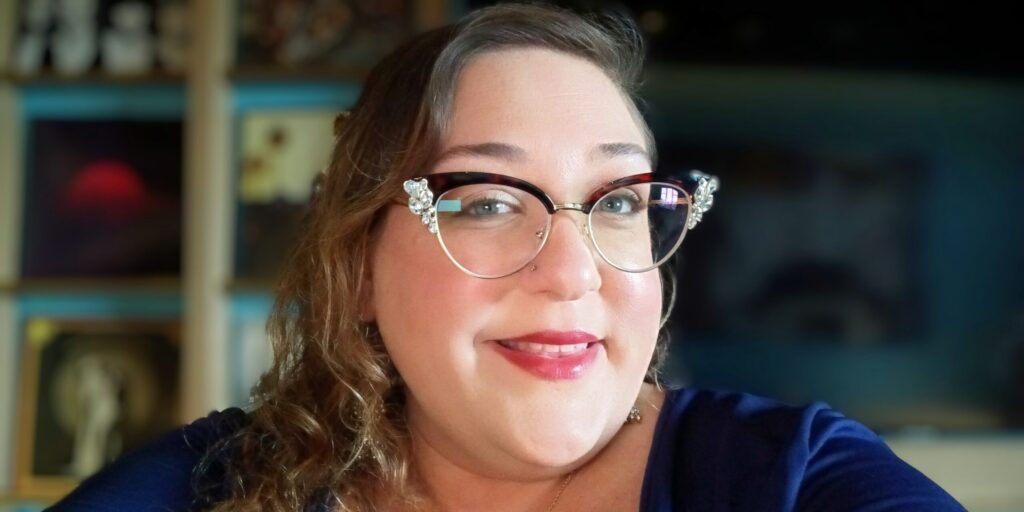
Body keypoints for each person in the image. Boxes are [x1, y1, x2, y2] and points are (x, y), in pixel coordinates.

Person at [49, 3, 964, 511]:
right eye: (488, 202)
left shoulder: (795, 481)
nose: (572, 274)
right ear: (358, 264)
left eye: (617, 203)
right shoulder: (209, 489)